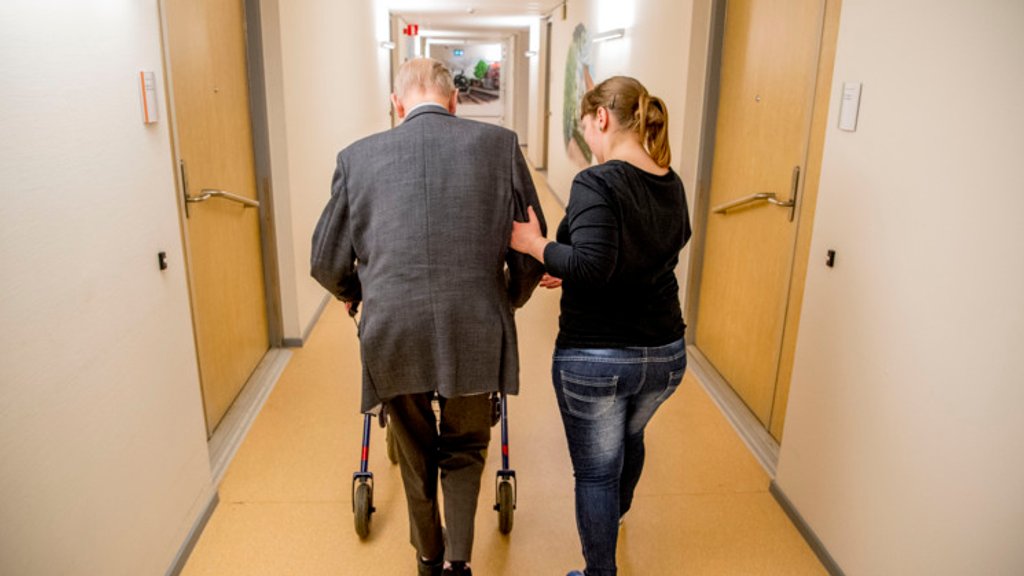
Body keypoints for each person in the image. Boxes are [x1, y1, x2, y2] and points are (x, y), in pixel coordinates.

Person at [311, 57, 546, 576]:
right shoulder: (500, 146)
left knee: (414, 447)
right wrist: (505, 299)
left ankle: (427, 556)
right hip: (475, 324)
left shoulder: (356, 159)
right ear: (455, 100)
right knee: (466, 445)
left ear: (397, 104)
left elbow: (325, 262)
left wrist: (357, 293)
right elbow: (531, 248)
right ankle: (460, 562)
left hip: (393, 329)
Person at [509, 76, 691, 576]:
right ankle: (616, 514)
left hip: (598, 358)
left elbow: (593, 266)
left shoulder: (597, 181)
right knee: (630, 437)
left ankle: (599, 572)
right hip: (665, 355)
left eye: (585, 124)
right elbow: (645, 251)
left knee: (595, 473)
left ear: (602, 118)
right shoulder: (669, 180)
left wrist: (534, 245)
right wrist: (564, 261)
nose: (587, 135)